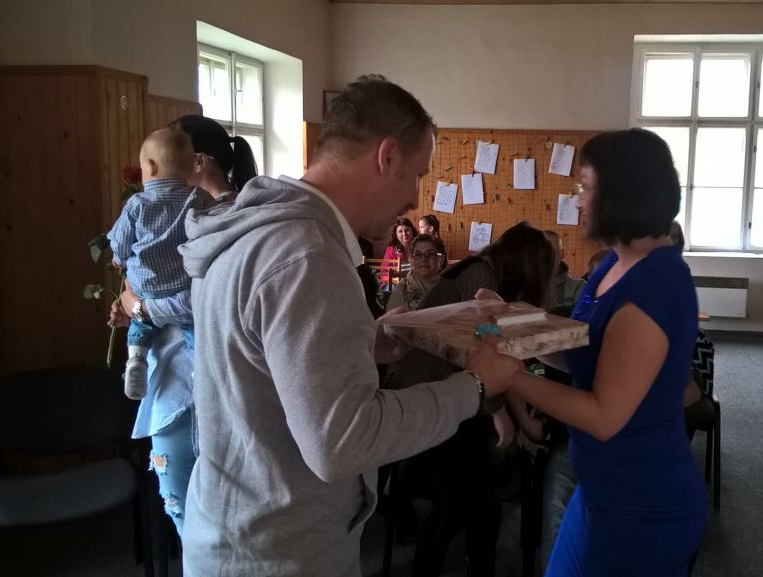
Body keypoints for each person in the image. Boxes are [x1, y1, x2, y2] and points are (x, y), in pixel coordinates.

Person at [176, 74, 522, 576]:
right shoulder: (307, 255)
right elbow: (342, 442)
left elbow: (260, 360)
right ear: (387, 156)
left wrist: (365, 342)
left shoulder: (260, 229)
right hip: (279, 550)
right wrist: (475, 386)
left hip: (240, 525)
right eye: (416, 175)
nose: (414, 198)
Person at [505, 129, 707, 576]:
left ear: (621, 194)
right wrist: (508, 324)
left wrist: (511, 376)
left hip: (642, 505)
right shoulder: (615, 264)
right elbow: (585, 350)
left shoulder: (653, 286)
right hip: (601, 487)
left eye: (585, 187)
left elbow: (603, 415)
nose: (576, 200)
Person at [107, 114, 260, 536]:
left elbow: (211, 298)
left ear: (198, 161)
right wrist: (129, 305)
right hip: (173, 373)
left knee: (217, 516)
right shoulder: (172, 210)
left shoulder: (231, 216)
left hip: (209, 383)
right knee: (183, 510)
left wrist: (142, 309)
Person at [385, 221, 554, 577]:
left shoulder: (478, 270)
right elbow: (479, 345)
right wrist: (499, 413)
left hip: (444, 397)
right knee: (461, 505)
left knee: (477, 504)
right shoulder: (480, 274)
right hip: (429, 397)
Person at [107, 127, 197, 400]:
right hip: (183, 285)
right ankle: (202, 367)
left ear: (150, 166)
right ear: (191, 167)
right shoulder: (197, 198)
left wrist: (119, 258)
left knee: (141, 327)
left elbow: (120, 242)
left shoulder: (137, 203)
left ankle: (136, 358)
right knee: (195, 330)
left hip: (146, 288)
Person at [386, 233, 446, 311]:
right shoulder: (401, 290)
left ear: (441, 259)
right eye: (418, 254)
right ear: (411, 261)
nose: (424, 259)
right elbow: (390, 318)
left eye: (430, 254)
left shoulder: (452, 289)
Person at [543, 230, 586, 309]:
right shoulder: (523, 288)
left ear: (562, 254)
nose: (547, 257)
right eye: (541, 252)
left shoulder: (579, 287)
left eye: (553, 251)